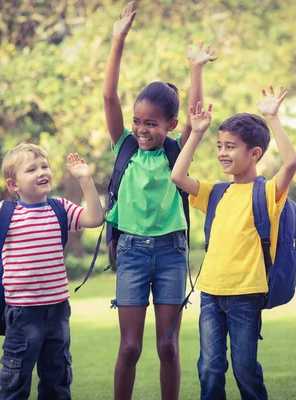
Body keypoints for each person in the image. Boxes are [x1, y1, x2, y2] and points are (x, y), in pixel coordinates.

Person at [103, 2, 217, 399]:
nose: (141, 128)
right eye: (138, 121)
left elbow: (196, 116)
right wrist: (118, 39)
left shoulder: (176, 152)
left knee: (167, 346)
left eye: (150, 123)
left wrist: (196, 69)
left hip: (171, 250)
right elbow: (109, 97)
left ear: (168, 125)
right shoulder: (125, 147)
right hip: (132, 251)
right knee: (130, 347)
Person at [171, 86, 296, 400]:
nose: (223, 153)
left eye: (231, 146)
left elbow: (291, 163)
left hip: (246, 296)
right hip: (211, 295)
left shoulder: (267, 194)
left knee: (244, 370)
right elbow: (177, 175)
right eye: (220, 146)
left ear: (255, 153)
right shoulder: (214, 192)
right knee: (210, 369)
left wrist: (273, 118)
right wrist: (197, 134)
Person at [0, 143, 104, 400]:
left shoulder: (60, 208)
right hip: (23, 313)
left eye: (44, 166)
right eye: (32, 169)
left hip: (58, 310)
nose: (41, 172)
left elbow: (94, 218)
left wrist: (85, 180)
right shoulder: (6, 212)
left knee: (57, 380)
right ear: (14, 185)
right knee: (16, 381)